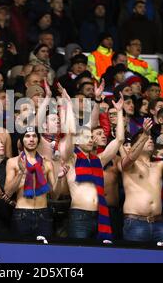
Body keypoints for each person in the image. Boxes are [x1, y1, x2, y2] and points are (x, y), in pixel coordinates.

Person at [64, 94, 125, 240]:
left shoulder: (99, 160)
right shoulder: (71, 158)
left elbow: (120, 139)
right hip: (79, 215)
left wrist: (120, 112)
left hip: (100, 215)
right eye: (86, 137)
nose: (91, 139)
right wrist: (68, 106)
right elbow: (70, 133)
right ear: (76, 141)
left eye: (91, 137)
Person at [5, 127, 59, 239]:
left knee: (44, 253)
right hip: (21, 214)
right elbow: (8, 192)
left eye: (34, 136)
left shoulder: (47, 163)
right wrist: (21, 172)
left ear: (38, 141)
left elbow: (54, 195)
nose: (31, 139)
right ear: (22, 140)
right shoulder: (13, 162)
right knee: (20, 253)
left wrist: (61, 179)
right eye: (27, 136)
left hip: (43, 214)